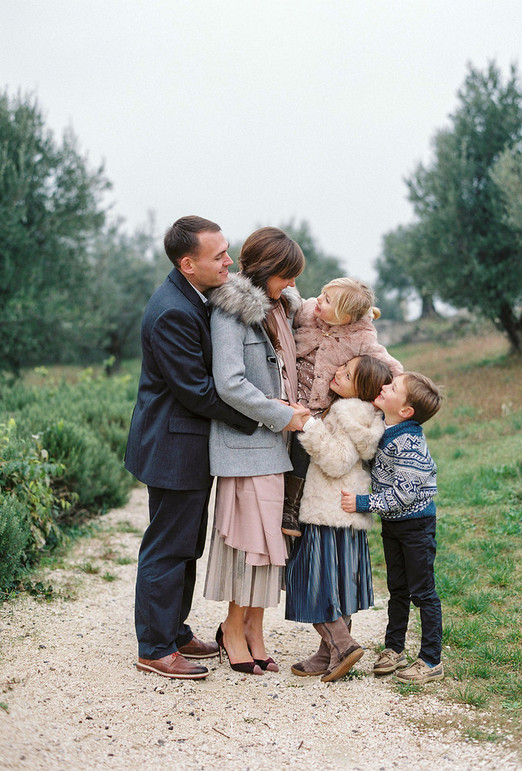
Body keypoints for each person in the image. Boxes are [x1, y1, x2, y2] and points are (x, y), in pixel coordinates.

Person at [125, 215, 257, 680]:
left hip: (183, 444)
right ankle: (155, 648)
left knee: (186, 545)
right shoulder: (173, 312)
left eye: (227, 251)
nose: (229, 262)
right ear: (188, 264)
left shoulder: (192, 296)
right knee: (168, 548)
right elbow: (197, 392)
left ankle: (174, 632)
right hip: (172, 446)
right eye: (218, 256)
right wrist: (259, 419)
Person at [203, 226, 309, 675]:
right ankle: (232, 628)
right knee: (249, 542)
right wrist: (281, 414)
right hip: (247, 445)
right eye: (287, 275)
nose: (292, 283)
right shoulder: (230, 310)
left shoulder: (282, 307)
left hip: (279, 445)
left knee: (271, 543)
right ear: (266, 269)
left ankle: (255, 628)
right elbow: (229, 383)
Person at [286, 355, 392, 682]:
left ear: (361, 389)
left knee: (311, 581)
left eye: (347, 375)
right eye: (343, 368)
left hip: (326, 512)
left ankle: (343, 645)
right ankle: (327, 653)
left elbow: (336, 460)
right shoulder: (365, 414)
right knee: (339, 585)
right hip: (344, 514)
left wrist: (309, 426)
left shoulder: (346, 412)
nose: (337, 373)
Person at [340, 371, 444, 684]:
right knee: (397, 588)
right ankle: (394, 648)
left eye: (393, 387)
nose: (384, 387)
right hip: (395, 524)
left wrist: (363, 503)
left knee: (423, 592)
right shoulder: (387, 429)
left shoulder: (409, 442)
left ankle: (431, 660)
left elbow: (403, 494)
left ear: (406, 410)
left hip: (416, 526)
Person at [282, 277, 403, 537]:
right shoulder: (309, 311)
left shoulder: (360, 336)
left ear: (344, 317)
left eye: (327, 300)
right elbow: (291, 307)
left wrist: (397, 393)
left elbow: (387, 363)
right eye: (322, 292)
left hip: (317, 407)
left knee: (301, 453)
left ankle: (290, 508)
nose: (319, 300)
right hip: (292, 391)